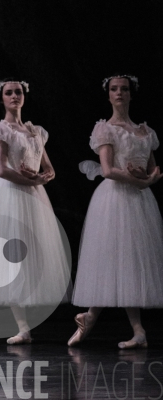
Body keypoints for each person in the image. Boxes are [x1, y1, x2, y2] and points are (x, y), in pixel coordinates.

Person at [0, 79, 70, 344]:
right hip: (8, 195)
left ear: (24, 96)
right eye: (9, 93)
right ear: (2, 99)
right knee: (4, 258)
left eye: (18, 92)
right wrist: (32, 180)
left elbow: (50, 169)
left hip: (33, 196)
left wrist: (42, 177)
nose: (14, 96)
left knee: (26, 257)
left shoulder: (36, 131)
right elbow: (1, 169)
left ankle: (21, 328)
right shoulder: (1, 129)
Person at [69, 75, 163, 349]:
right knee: (112, 258)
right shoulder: (105, 129)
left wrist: (149, 178)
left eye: (124, 89)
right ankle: (126, 327)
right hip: (115, 199)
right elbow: (108, 170)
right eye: (114, 89)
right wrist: (140, 180)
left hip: (139, 200)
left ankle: (130, 329)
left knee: (130, 261)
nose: (119, 93)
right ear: (108, 94)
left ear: (131, 94)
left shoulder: (145, 131)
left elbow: (152, 169)